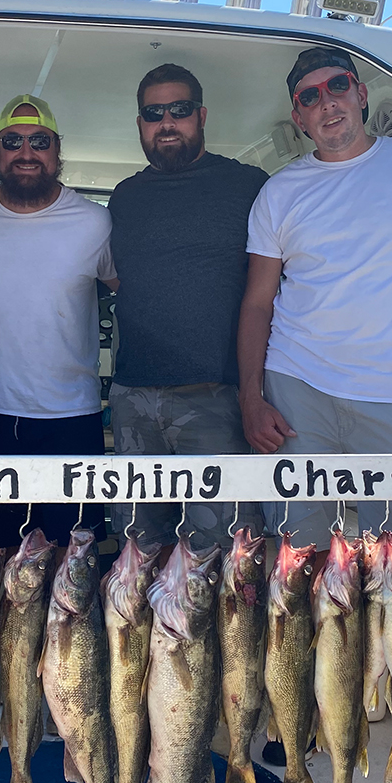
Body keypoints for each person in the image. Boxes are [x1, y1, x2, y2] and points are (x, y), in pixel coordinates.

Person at [238, 46, 392, 547]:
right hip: (295, 390)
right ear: (298, 117)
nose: (327, 102)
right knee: (297, 561)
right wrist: (250, 397)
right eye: (310, 96)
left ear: (361, 93)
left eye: (338, 86)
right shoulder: (278, 192)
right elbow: (257, 302)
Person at [106, 63, 269, 550]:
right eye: (153, 113)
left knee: (222, 556)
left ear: (200, 115)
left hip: (217, 400)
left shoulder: (249, 185)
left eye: (178, 110)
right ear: (140, 123)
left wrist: (254, 394)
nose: (167, 122)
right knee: (135, 553)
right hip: (133, 400)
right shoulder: (123, 197)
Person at [0, 94, 117, 549]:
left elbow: (135, 295)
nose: (26, 152)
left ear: (57, 150)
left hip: (72, 417)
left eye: (39, 140)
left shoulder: (95, 222)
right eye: (13, 141)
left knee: (70, 559)